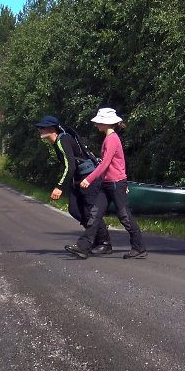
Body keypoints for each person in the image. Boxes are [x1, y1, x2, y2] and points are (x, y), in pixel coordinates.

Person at [66, 107, 147, 259]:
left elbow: (105, 165)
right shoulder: (109, 139)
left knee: (124, 216)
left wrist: (88, 179)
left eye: (99, 122)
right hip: (108, 183)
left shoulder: (112, 140)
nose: (97, 124)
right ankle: (83, 247)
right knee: (95, 215)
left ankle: (139, 247)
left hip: (116, 184)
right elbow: (118, 163)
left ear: (106, 123)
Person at [35, 115, 112, 254]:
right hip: (78, 178)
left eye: (42, 127)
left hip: (89, 178)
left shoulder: (62, 140)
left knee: (91, 212)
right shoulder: (58, 141)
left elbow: (70, 166)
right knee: (75, 210)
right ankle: (96, 238)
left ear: (52, 129)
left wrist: (59, 186)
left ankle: (104, 243)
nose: (39, 130)